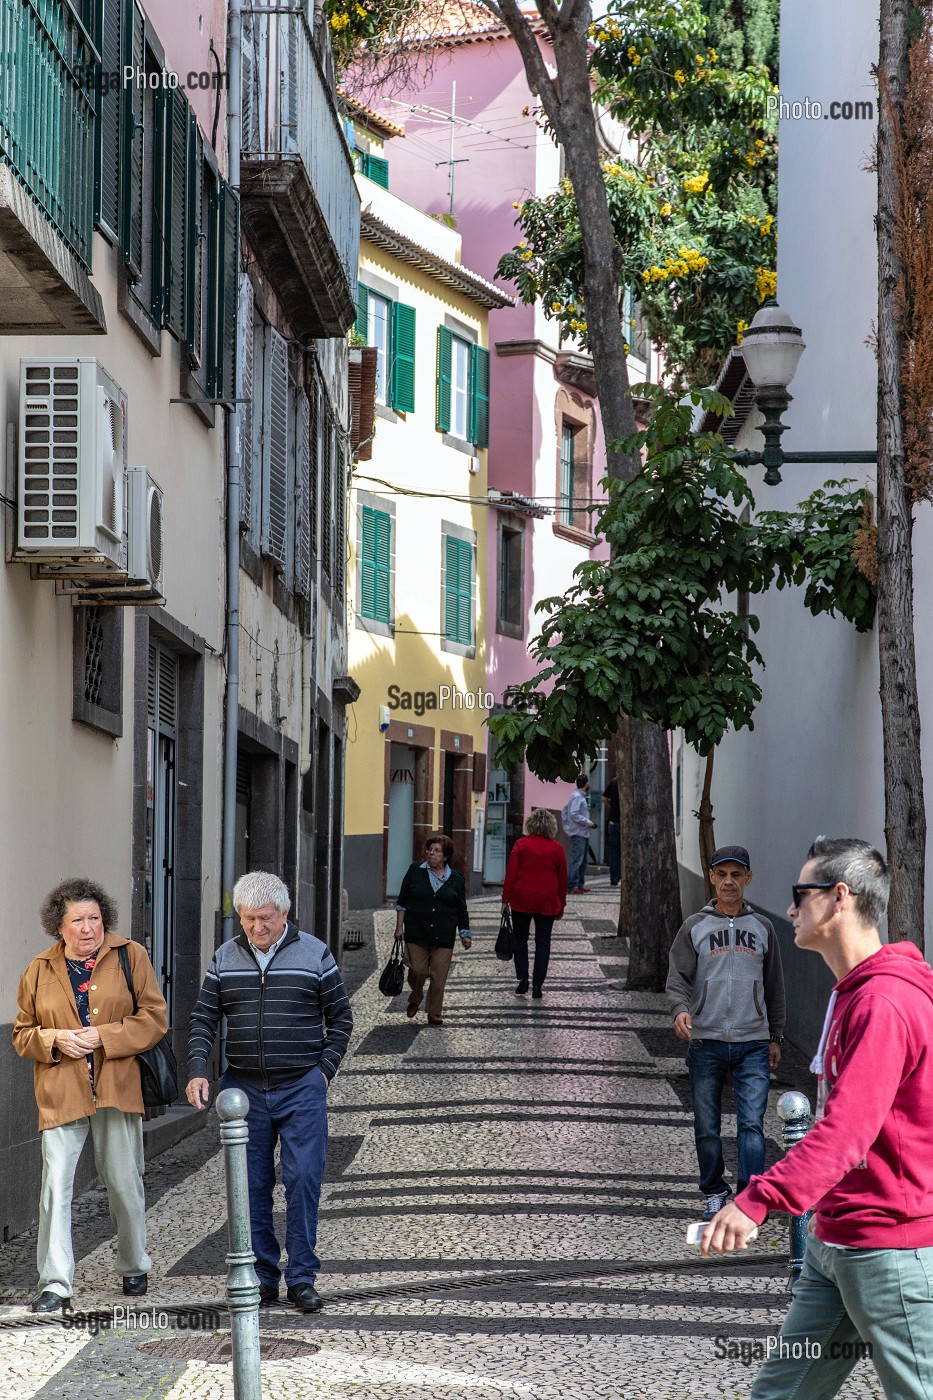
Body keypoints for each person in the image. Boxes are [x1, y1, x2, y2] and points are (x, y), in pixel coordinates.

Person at [704, 837, 933, 1399]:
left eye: (799, 895)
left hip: (888, 1253)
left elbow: (845, 1133)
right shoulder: (854, 993)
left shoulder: (884, 1002)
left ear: (839, 898)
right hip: (834, 1249)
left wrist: (756, 1198)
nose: (788, 910)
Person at [185, 871, 353, 1314]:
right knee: (251, 1184)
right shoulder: (225, 958)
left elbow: (340, 1020)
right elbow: (203, 1018)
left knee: (302, 1180)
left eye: (265, 918)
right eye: (247, 919)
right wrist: (199, 1069)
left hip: (301, 1087)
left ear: (285, 913)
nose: (256, 928)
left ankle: (302, 1277)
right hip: (244, 1088)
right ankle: (262, 1276)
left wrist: (323, 1073)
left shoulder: (315, 954)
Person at [12, 877, 168, 1314]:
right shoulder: (38, 969)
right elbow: (23, 1035)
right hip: (61, 1091)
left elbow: (154, 1018)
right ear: (58, 928)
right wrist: (56, 1039)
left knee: (123, 1180)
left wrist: (104, 1035)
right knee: (55, 1188)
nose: (88, 928)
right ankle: (56, 1283)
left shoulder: (130, 956)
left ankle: (134, 1263)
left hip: (118, 1086)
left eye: (95, 918)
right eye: (77, 920)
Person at [666, 844, 785, 1220]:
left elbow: (775, 986)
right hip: (706, 1041)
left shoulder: (763, 928)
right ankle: (715, 1190)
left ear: (748, 878)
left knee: (752, 1124)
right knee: (707, 1125)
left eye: (737, 874)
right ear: (712, 878)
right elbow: (677, 979)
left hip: (753, 1041)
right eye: (722, 874)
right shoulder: (694, 927)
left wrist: (776, 1035)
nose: (729, 881)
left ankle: (749, 1199)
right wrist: (681, 1010)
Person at [394, 833, 471, 1026]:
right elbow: (402, 902)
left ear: (445, 856)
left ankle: (434, 1012)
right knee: (418, 971)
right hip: (416, 932)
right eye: (430, 850)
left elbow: (461, 909)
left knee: (439, 976)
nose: (431, 854)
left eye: (437, 851)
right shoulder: (415, 871)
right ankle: (416, 997)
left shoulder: (456, 879)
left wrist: (464, 933)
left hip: (443, 935)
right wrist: (399, 927)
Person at [502, 808, 567, 999]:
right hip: (547, 899)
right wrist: (561, 903)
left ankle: (523, 978)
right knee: (543, 942)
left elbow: (511, 874)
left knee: (520, 938)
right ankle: (538, 985)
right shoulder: (557, 848)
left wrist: (505, 899)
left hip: (522, 898)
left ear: (530, 824)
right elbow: (562, 880)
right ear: (551, 827)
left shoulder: (521, 845)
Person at [561, 774, 596, 894]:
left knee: (583, 860)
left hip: (582, 832)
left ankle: (579, 883)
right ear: (586, 783)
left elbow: (565, 811)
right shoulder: (577, 797)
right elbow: (574, 814)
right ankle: (573, 884)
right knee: (577, 859)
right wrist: (588, 823)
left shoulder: (577, 796)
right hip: (579, 832)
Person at [601, 776, 621, 887]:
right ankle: (621, 875)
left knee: (614, 851)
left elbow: (603, 798)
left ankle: (614, 878)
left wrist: (611, 806)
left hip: (614, 821)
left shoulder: (614, 782)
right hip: (624, 821)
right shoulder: (631, 782)